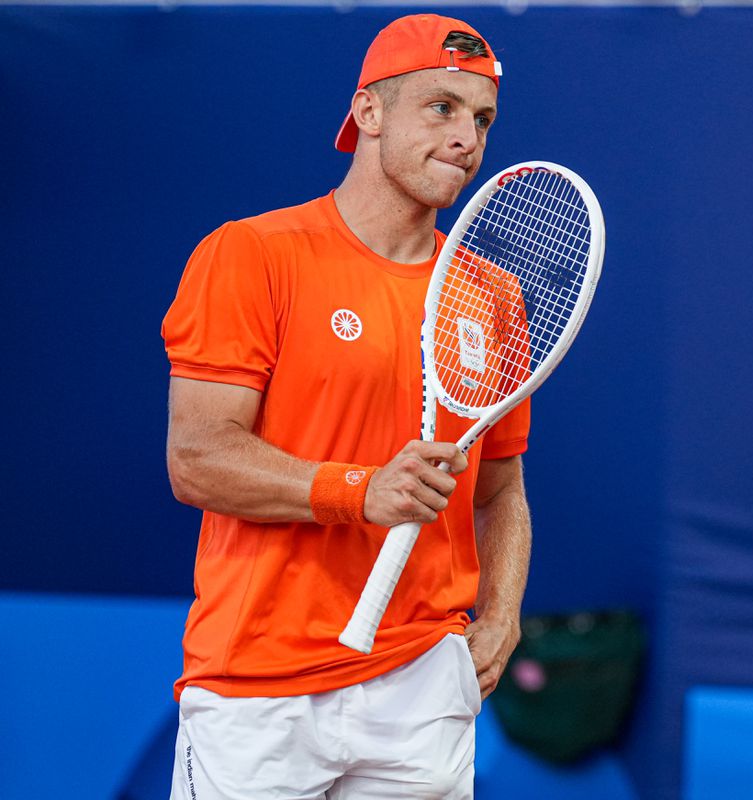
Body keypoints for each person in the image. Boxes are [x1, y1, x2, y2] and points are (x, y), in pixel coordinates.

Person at [161, 14, 529, 799]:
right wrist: (360, 492)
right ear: (368, 112)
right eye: (442, 107)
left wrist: (502, 615)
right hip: (261, 681)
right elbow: (196, 458)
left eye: (482, 118)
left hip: (424, 684)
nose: (468, 136)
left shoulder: (494, 295)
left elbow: (500, 491)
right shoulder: (253, 254)